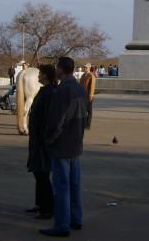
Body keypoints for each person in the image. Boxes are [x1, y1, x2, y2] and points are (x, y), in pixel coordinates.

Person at [41, 56, 87, 237]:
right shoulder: (80, 89)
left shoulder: (62, 91)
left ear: (60, 69)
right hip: (76, 144)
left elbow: (56, 121)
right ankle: (76, 218)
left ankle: (61, 225)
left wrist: (49, 139)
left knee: (61, 188)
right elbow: (87, 116)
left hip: (62, 146)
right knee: (74, 185)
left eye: (57, 68)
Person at [26, 64, 57, 220]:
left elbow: (48, 119)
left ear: (45, 75)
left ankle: (48, 208)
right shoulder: (45, 90)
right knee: (38, 174)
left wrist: (43, 139)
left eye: (40, 73)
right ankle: (40, 204)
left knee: (43, 175)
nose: (38, 76)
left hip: (42, 141)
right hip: (37, 139)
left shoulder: (50, 92)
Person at [79, 63, 96, 130]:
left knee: (89, 111)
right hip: (82, 95)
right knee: (83, 110)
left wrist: (91, 96)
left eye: (86, 67)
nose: (85, 68)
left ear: (89, 68)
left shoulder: (91, 75)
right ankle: (83, 123)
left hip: (88, 95)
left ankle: (88, 125)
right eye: (84, 67)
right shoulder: (83, 75)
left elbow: (92, 87)